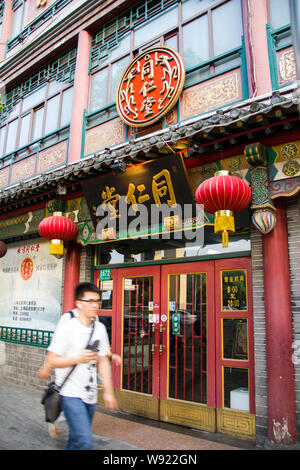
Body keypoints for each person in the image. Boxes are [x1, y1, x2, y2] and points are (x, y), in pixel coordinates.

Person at [38, 281, 117, 450]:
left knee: (75, 440)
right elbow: (52, 359)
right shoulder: (67, 327)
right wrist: (77, 359)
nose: (95, 305)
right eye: (90, 301)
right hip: (70, 393)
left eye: (97, 301)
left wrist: (109, 392)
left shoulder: (100, 328)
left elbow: (103, 361)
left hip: (91, 394)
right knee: (84, 441)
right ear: (78, 304)